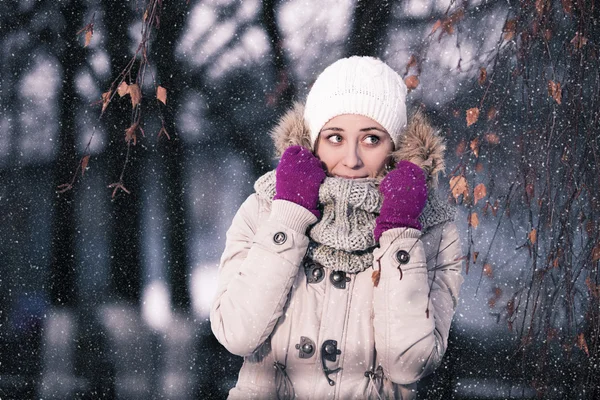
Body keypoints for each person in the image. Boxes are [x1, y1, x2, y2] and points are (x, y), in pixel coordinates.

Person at [210, 56, 464, 399]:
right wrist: (290, 215)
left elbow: (408, 363)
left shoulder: (432, 229)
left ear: (395, 147)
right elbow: (237, 333)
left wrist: (400, 233)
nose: (352, 158)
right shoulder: (266, 207)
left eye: (372, 139)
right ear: (314, 141)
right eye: (335, 137)